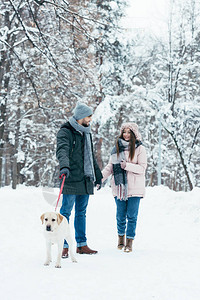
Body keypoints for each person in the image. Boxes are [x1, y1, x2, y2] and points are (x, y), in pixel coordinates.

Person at [56, 101, 103, 257]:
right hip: (71, 177)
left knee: (81, 213)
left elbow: (91, 157)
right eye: (88, 117)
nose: (90, 120)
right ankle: (64, 245)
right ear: (81, 117)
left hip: (85, 179)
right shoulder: (66, 131)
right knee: (65, 213)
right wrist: (64, 166)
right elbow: (62, 150)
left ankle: (81, 245)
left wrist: (97, 175)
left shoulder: (86, 132)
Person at [102, 122, 147, 252]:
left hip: (135, 188)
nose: (126, 135)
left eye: (129, 132)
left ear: (134, 134)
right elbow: (110, 167)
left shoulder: (140, 149)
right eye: (124, 132)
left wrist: (127, 165)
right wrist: (100, 177)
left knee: (132, 216)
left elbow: (142, 168)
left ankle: (130, 242)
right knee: (120, 216)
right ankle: (120, 239)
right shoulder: (116, 148)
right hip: (119, 188)